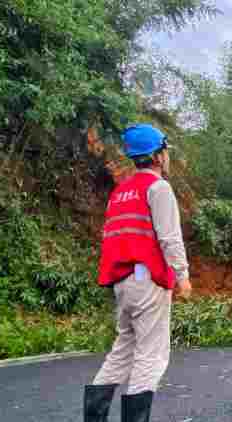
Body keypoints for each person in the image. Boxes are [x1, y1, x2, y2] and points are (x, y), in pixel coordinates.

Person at [84, 124, 191, 422]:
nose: (167, 156)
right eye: (165, 151)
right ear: (157, 155)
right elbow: (169, 237)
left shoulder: (120, 192)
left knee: (123, 350)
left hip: (122, 282)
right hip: (147, 282)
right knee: (151, 356)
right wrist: (182, 276)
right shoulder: (158, 188)